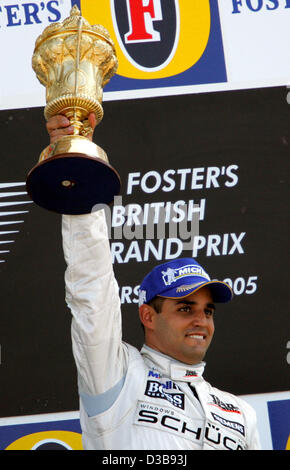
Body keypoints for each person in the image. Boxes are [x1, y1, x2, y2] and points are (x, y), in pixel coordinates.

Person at [48, 114, 261, 450]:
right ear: (148, 315)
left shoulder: (240, 414)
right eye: (185, 308)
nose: (200, 321)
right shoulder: (118, 376)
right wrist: (78, 169)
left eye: (208, 311)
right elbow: (92, 295)